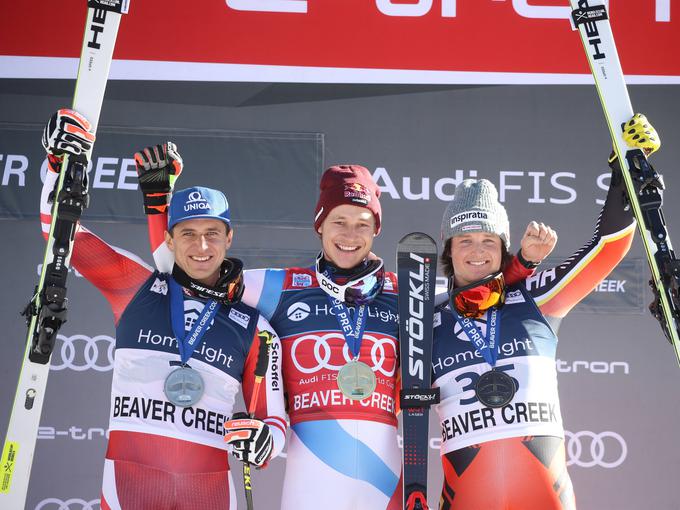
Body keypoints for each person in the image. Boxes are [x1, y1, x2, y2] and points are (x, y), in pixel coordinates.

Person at [146, 162, 552, 509]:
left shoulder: (408, 291)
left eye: (363, 224)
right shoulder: (277, 286)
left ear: (376, 230)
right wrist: (159, 210)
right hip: (310, 485)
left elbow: (479, 291)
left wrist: (521, 265)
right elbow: (189, 275)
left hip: (387, 481)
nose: (350, 235)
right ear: (320, 225)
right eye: (338, 221)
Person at [39, 109, 287, 510]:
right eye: (188, 234)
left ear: (229, 239)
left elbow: (273, 421)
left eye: (212, 234)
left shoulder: (255, 329)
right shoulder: (136, 288)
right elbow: (60, 232)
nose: (201, 246)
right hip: (129, 481)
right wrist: (57, 165)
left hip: (208, 491)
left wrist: (264, 443)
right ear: (170, 241)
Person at [432, 113, 659, 509]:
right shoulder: (426, 321)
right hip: (467, 493)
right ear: (449, 250)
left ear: (503, 249)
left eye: (489, 240)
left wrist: (627, 163)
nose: (477, 251)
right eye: (464, 240)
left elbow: (606, 250)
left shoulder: (535, 296)